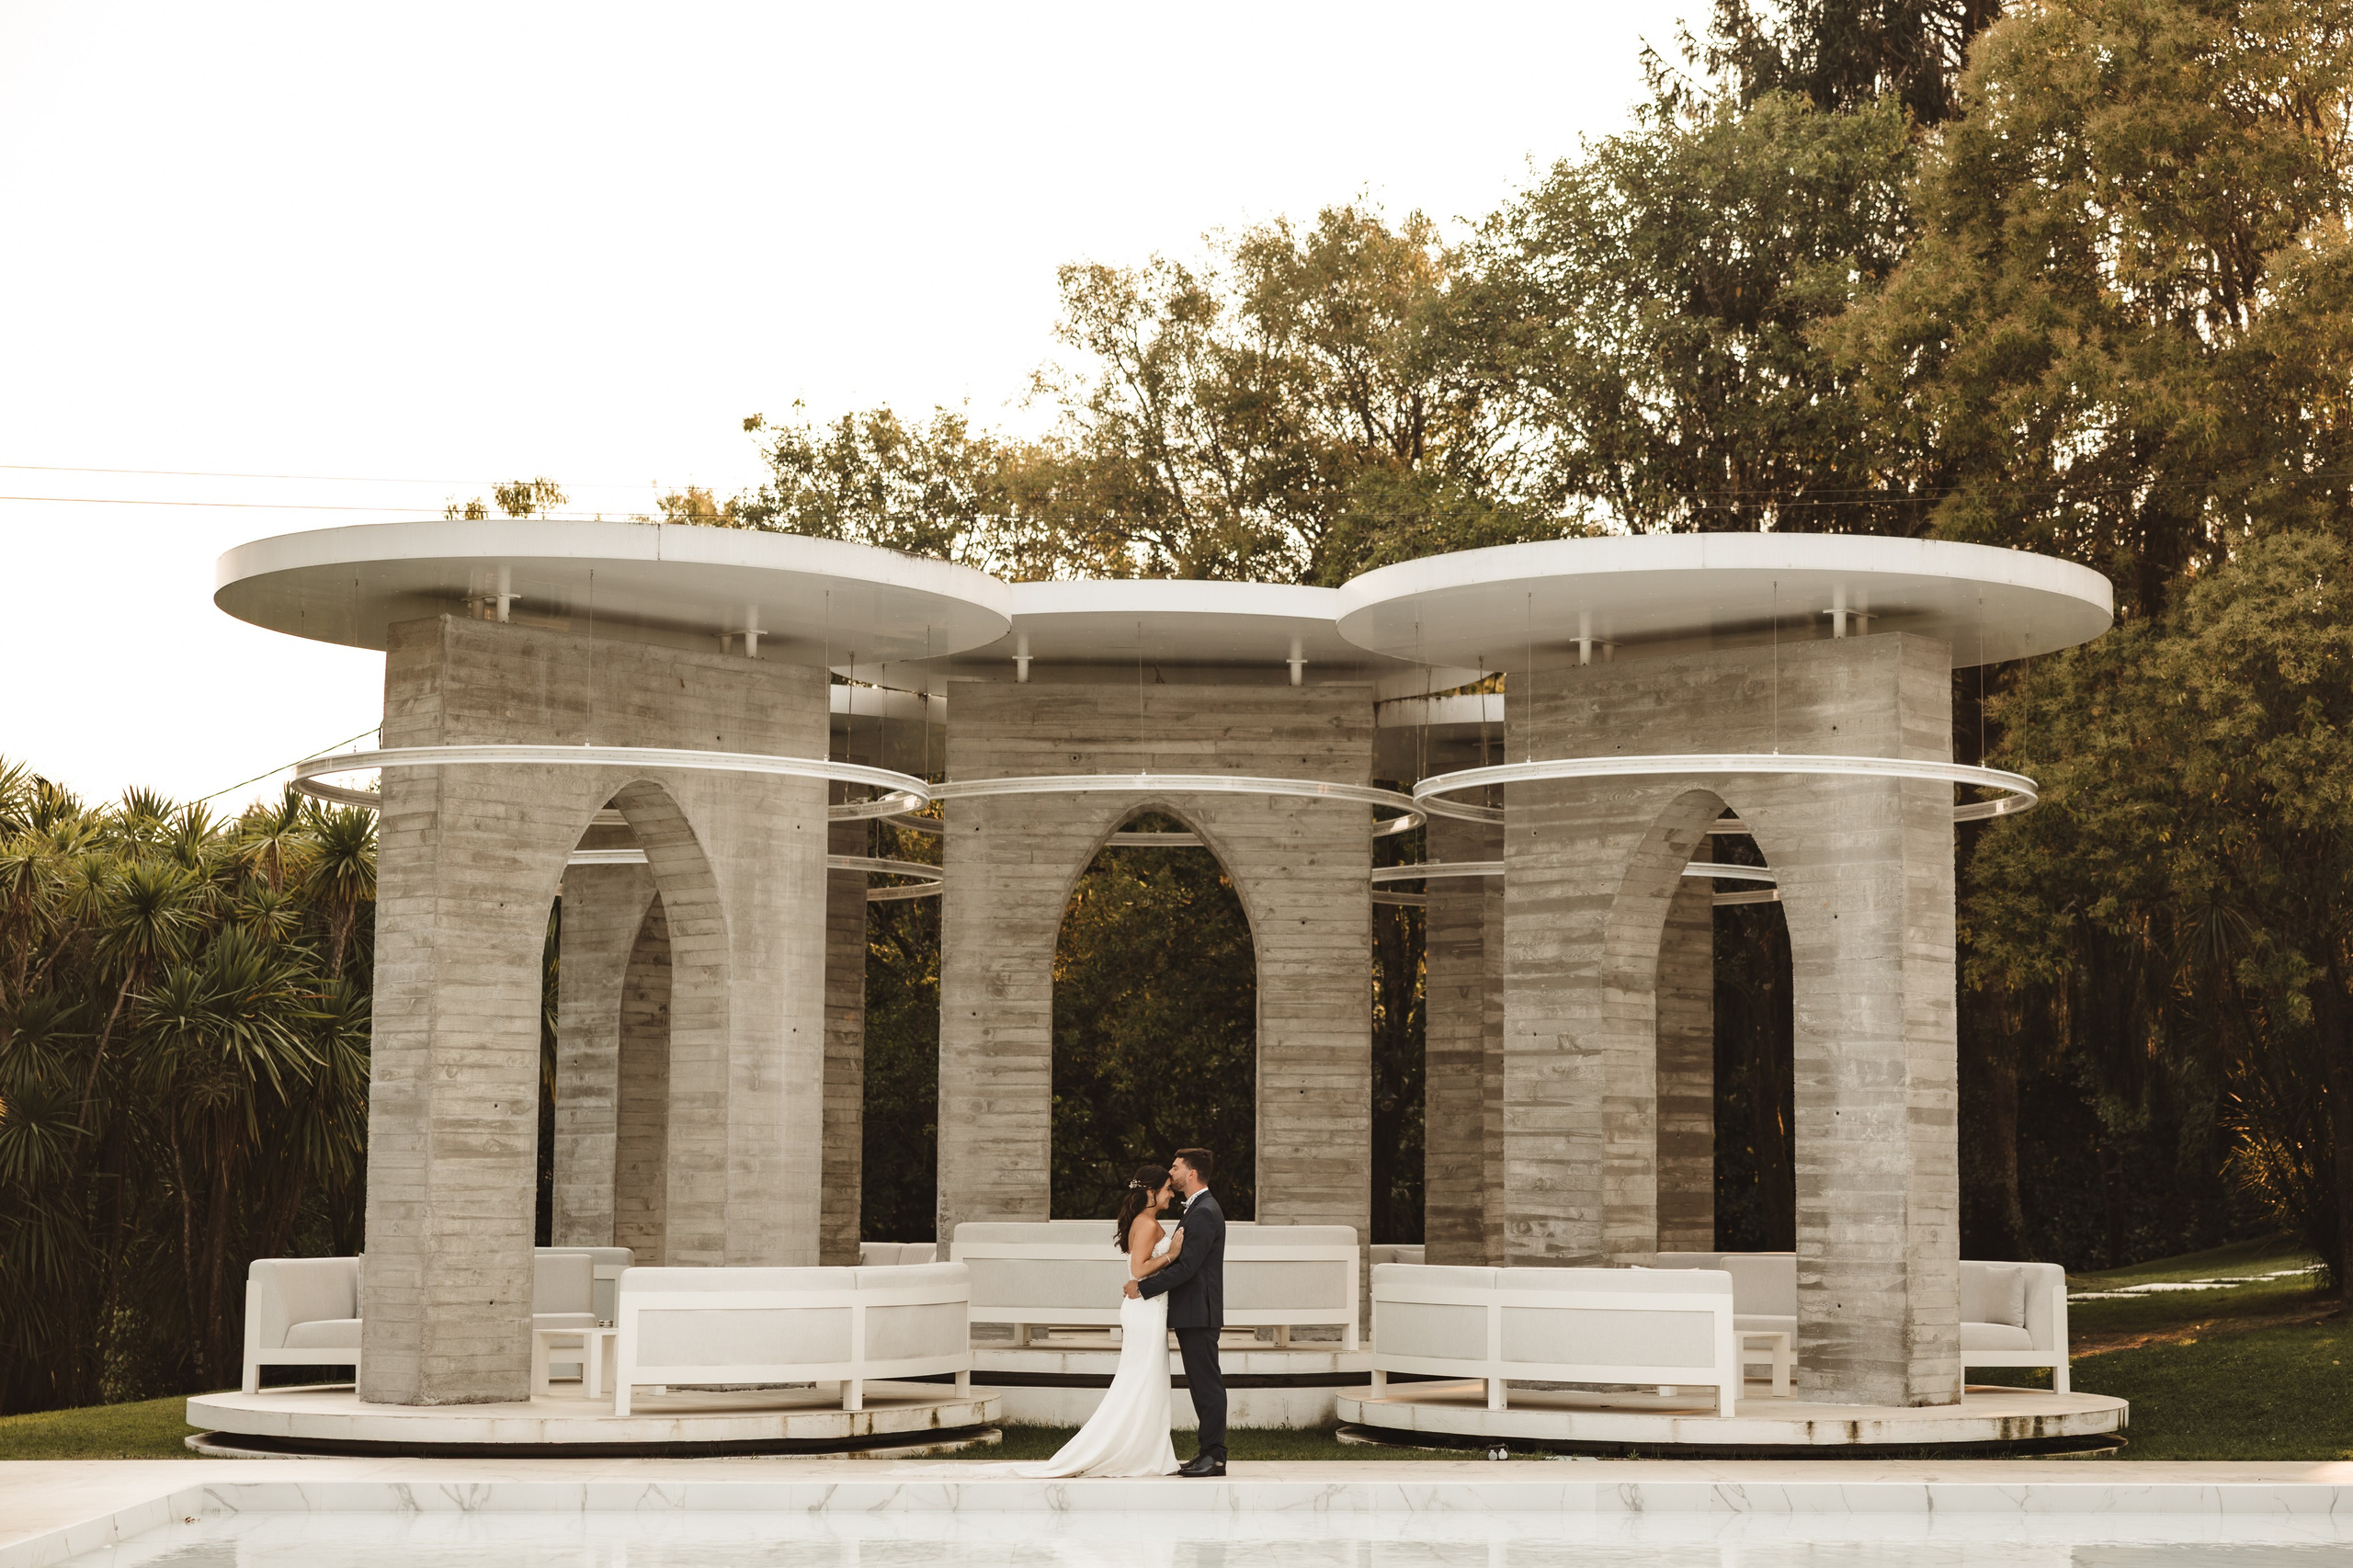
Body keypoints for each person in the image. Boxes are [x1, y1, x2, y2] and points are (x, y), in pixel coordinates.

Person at [1012, 1163, 1188, 1478]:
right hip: (1145, 1310)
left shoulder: (1143, 1220)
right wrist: (1173, 1253)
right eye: (1166, 1190)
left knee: (1145, 1382)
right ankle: (1134, 1453)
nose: (1171, 1195)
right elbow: (1138, 1270)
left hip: (1147, 1309)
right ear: (1150, 1192)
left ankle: (1145, 1451)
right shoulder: (1147, 1224)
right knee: (1142, 1381)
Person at [1125, 1146, 1226, 1477]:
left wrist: (1143, 1288)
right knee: (1200, 1384)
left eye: (1176, 1167)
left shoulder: (1205, 1211)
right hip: (1192, 1311)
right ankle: (1207, 1452)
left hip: (1200, 1312)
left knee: (1206, 1384)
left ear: (1192, 1174)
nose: (1172, 1173)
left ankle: (1215, 1456)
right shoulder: (1197, 1209)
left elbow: (1187, 1268)